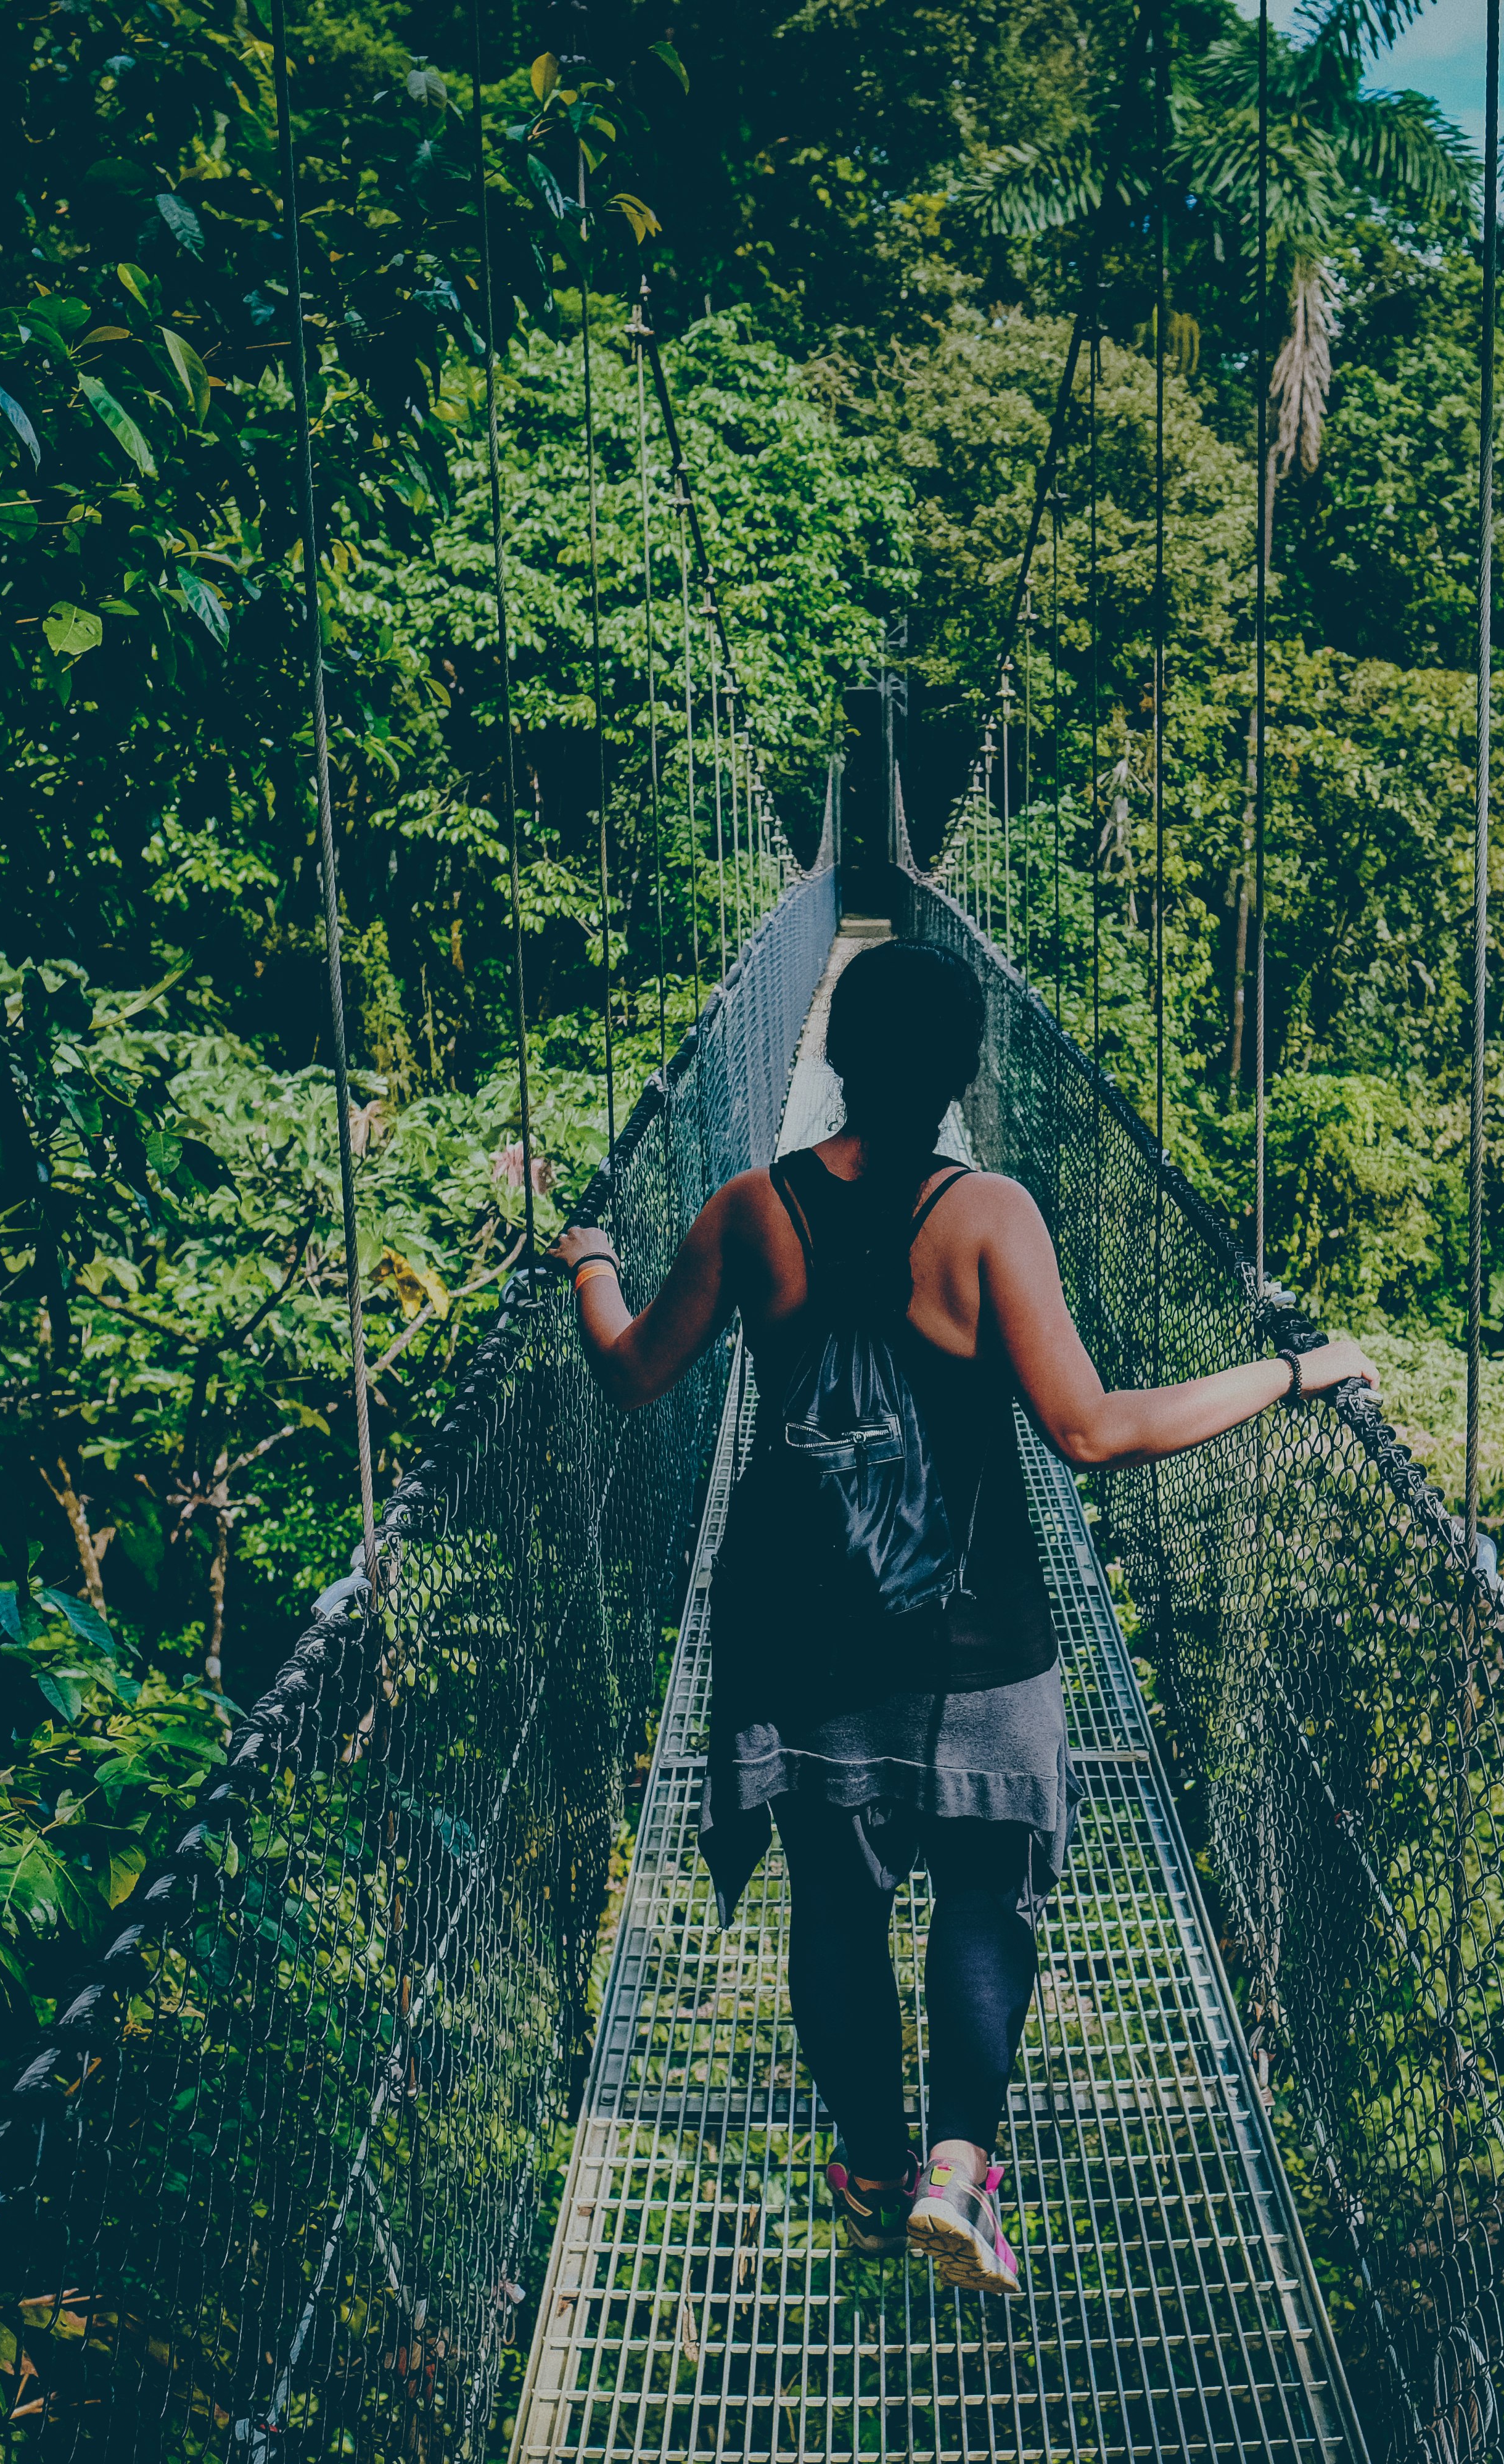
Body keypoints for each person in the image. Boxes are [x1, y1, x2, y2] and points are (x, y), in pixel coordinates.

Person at [546, 939, 1371, 2296]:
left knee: (836, 1913)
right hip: (979, 1636)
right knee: (985, 1893)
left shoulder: (752, 1208)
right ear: (965, 1071)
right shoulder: (992, 1215)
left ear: (827, 1060)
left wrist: (590, 1262)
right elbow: (1092, 1431)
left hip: (804, 1639)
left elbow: (633, 1374)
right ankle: (956, 2168)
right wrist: (1292, 1370)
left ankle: (870, 2170)